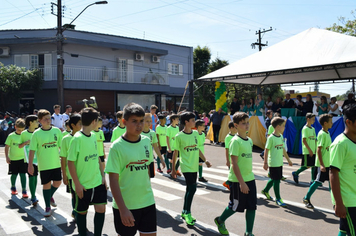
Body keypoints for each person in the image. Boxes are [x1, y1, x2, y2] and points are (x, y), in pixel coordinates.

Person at [106, 103, 157, 236]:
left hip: (147, 202)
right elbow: (113, 180)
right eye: (134, 121)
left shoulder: (146, 141)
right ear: (124, 121)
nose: (139, 125)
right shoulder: (117, 147)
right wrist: (123, 209)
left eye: (141, 121)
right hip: (126, 206)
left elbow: (149, 169)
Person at [214, 112, 256, 236]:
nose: (247, 125)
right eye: (243, 123)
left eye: (247, 122)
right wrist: (242, 183)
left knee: (252, 206)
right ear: (236, 125)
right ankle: (220, 220)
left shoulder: (249, 140)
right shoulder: (235, 141)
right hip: (238, 180)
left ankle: (249, 232)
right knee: (235, 206)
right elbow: (234, 164)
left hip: (250, 178)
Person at [67, 108, 106, 236]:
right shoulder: (77, 139)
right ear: (94, 121)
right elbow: (70, 162)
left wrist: (103, 176)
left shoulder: (94, 136)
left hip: (97, 182)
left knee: (101, 209)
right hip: (83, 184)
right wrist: (77, 184)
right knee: (82, 212)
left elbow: (99, 158)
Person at [171, 112, 211, 226]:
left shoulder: (194, 134)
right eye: (193, 120)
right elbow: (175, 153)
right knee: (193, 188)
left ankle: (184, 211)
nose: (194, 122)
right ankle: (188, 212)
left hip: (194, 166)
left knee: (189, 189)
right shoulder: (179, 136)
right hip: (186, 166)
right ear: (186, 122)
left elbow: (197, 148)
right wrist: (173, 169)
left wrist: (205, 160)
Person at [28, 109, 62, 217]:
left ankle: (50, 196)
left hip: (56, 164)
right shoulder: (36, 134)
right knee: (46, 185)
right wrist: (30, 165)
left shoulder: (57, 131)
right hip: (44, 165)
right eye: (45, 119)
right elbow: (32, 150)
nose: (48, 120)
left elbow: (62, 147)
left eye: (49, 118)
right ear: (40, 121)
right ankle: (48, 207)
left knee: (57, 183)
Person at [330, 104, 356, 236]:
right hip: (348, 201)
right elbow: (333, 173)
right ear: (349, 122)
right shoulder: (340, 143)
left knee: (344, 230)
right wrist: (339, 203)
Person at [303, 114, 333, 209]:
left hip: (329, 163)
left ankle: (335, 203)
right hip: (323, 164)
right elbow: (319, 149)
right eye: (330, 122)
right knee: (318, 182)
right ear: (325, 123)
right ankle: (306, 198)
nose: (332, 123)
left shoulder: (327, 133)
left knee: (332, 183)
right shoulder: (322, 134)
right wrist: (321, 165)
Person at [261, 117, 293, 207]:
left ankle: (265, 190)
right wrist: (265, 163)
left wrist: (288, 160)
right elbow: (266, 150)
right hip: (273, 162)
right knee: (277, 180)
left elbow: (283, 149)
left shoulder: (281, 136)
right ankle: (278, 198)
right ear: (278, 127)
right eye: (283, 126)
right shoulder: (271, 138)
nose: (284, 128)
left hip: (279, 162)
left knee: (275, 178)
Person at [59, 114, 82, 219]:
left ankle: (78, 212)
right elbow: (63, 158)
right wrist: (64, 175)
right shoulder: (65, 139)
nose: (82, 125)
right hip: (71, 174)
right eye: (80, 123)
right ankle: (76, 212)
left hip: (84, 172)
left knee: (81, 195)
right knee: (74, 194)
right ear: (72, 125)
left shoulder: (85, 136)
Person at [292, 113, 317, 185]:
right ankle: (296, 173)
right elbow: (304, 141)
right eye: (312, 119)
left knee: (314, 166)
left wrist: (315, 149)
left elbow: (315, 139)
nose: (314, 121)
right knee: (307, 165)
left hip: (313, 150)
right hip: (307, 151)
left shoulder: (313, 129)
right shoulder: (305, 128)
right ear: (308, 119)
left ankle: (313, 180)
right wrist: (309, 150)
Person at [5, 118, 28, 198]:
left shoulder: (24, 135)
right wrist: (7, 157)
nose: (20, 131)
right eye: (19, 129)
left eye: (22, 130)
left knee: (23, 175)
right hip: (13, 159)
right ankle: (13, 187)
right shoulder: (11, 136)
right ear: (15, 127)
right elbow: (7, 146)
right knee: (14, 174)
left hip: (23, 159)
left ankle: (24, 190)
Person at [20, 115, 39, 205]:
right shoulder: (24, 133)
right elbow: (19, 145)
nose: (38, 123)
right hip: (28, 160)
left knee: (35, 178)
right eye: (36, 121)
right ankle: (33, 196)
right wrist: (26, 143)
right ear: (30, 123)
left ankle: (33, 194)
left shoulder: (38, 133)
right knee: (31, 177)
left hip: (38, 159)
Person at [222, 121, 237, 190]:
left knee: (235, 173)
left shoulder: (237, 135)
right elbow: (227, 149)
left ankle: (229, 183)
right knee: (233, 173)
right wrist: (227, 160)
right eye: (235, 127)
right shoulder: (228, 137)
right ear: (231, 128)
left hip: (237, 157)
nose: (236, 128)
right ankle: (229, 185)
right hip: (231, 159)